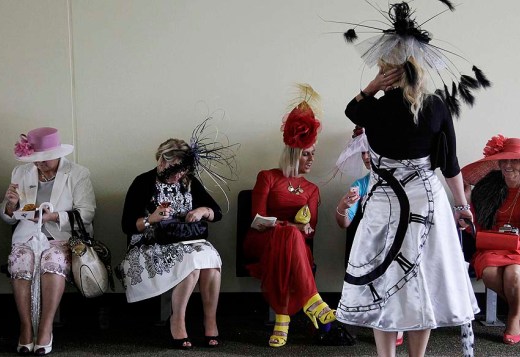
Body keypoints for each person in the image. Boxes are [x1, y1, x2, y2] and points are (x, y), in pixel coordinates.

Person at [335, 2, 489, 356]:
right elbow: (450, 164)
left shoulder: (372, 108)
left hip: (384, 203)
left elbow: (352, 110)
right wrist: (462, 207)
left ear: (387, 71)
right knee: (425, 282)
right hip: (426, 202)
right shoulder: (437, 106)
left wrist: (371, 86)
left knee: (381, 279)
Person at [243, 84, 335, 348]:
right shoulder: (268, 177)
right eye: (307, 154)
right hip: (261, 242)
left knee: (292, 236)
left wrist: (300, 229)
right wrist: (289, 226)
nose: (311, 159)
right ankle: (313, 301)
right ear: (294, 153)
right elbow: (257, 218)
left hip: (295, 247)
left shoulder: (312, 189)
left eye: (313, 154)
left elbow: (311, 229)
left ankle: (282, 320)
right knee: (288, 234)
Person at [118, 137, 225, 349]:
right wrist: (151, 218)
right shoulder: (143, 182)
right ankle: (177, 320)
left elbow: (217, 212)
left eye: (182, 170)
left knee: (211, 262)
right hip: (150, 244)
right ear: (161, 161)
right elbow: (127, 225)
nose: (178, 175)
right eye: (174, 169)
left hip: (186, 240)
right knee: (193, 265)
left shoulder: (189, 182)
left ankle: (210, 321)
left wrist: (202, 210)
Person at [0, 127, 96, 355]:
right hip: (27, 236)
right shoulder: (20, 172)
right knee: (20, 262)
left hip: (61, 237)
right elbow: (7, 216)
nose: (38, 165)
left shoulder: (77, 173)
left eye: (43, 160)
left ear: (57, 153)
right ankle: (25, 327)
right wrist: (11, 205)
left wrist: (52, 216)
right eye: (34, 160)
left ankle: (45, 327)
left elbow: (87, 213)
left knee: (52, 263)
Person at [461, 134, 520, 345]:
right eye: (504, 160)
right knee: (489, 273)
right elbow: (477, 228)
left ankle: (514, 317)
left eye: (513, 160)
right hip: (494, 244)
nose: (507, 165)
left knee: (514, 273)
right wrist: (467, 201)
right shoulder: (488, 188)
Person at [334, 126, 404, 347]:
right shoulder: (361, 185)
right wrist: (342, 206)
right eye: (362, 152)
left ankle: (397, 318)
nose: (365, 156)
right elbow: (345, 223)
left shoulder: (402, 178)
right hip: (373, 244)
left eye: (369, 151)